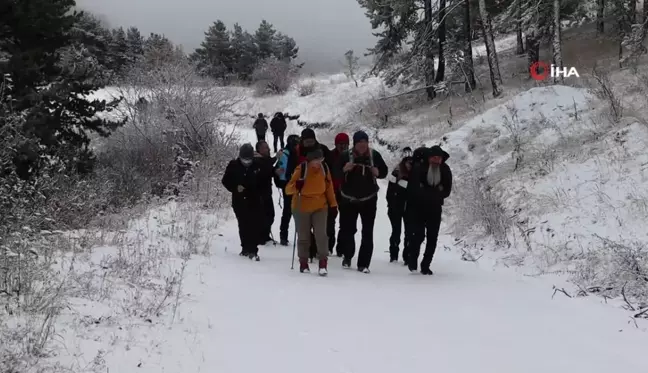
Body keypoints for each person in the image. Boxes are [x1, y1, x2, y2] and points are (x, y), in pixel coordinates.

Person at [337, 130, 388, 273]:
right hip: (349, 199)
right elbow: (335, 173)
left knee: (367, 232)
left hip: (369, 199)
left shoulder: (374, 155)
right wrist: (344, 169)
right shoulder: (345, 155)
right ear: (354, 143)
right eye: (359, 142)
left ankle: (364, 264)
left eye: (365, 142)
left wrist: (378, 172)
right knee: (348, 230)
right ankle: (348, 256)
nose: (362, 145)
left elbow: (384, 171)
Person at [285, 147, 337, 275]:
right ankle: (303, 263)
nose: (318, 163)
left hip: (320, 206)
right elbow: (288, 189)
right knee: (303, 236)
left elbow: (329, 188)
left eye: (321, 159)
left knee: (321, 235)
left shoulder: (324, 169)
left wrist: (333, 204)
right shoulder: (301, 169)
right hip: (301, 206)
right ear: (310, 160)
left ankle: (323, 263)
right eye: (316, 160)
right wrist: (297, 185)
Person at [406, 145, 452, 275]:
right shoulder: (419, 168)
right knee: (418, 235)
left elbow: (447, 190)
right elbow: (414, 188)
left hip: (435, 208)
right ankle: (412, 259)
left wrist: (430, 192)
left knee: (433, 238)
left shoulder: (445, 170)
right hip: (418, 207)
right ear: (429, 158)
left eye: (438, 158)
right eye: (434, 158)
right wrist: (434, 191)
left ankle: (426, 265)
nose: (436, 160)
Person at [221, 143, 264, 260]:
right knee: (243, 224)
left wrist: (258, 192)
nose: (246, 162)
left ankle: (253, 250)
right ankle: (245, 248)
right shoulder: (233, 165)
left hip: (255, 200)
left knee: (254, 225)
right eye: (244, 159)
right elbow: (225, 181)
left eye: (249, 159)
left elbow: (264, 183)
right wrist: (235, 188)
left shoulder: (258, 166)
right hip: (239, 201)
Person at [274, 134, 300, 246]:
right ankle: (286, 236)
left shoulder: (284, 153)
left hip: (287, 185)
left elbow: (277, 170)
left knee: (288, 212)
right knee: (292, 212)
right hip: (293, 185)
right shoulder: (289, 154)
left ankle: (283, 236)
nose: (297, 146)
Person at [386, 155, 413, 263]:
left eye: (411, 163)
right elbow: (390, 191)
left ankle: (407, 256)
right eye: (408, 163)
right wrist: (391, 204)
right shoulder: (396, 173)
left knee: (409, 233)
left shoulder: (416, 175)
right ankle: (394, 255)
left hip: (409, 208)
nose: (409, 166)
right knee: (396, 232)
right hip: (396, 207)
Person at [327, 132, 349, 256]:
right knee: (330, 221)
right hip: (332, 192)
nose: (343, 146)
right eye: (340, 144)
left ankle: (341, 249)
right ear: (336, 144)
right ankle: (329, 246)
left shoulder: (351, 156)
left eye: (345, 144)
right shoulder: (330, 156)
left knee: (345, 222)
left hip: (346, 193)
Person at [254, 140, 277, 244]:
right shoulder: (256, 160)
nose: (268, 149)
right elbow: (266, 169)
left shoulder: (265, 159)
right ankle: (260, 237)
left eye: (267, 147)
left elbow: (269, 168)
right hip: (259, 193)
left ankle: (265, 236)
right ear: (259, 149)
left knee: (270, 215)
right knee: (263, 216)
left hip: (267, 192)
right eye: (265, 148)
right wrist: (276, 158)